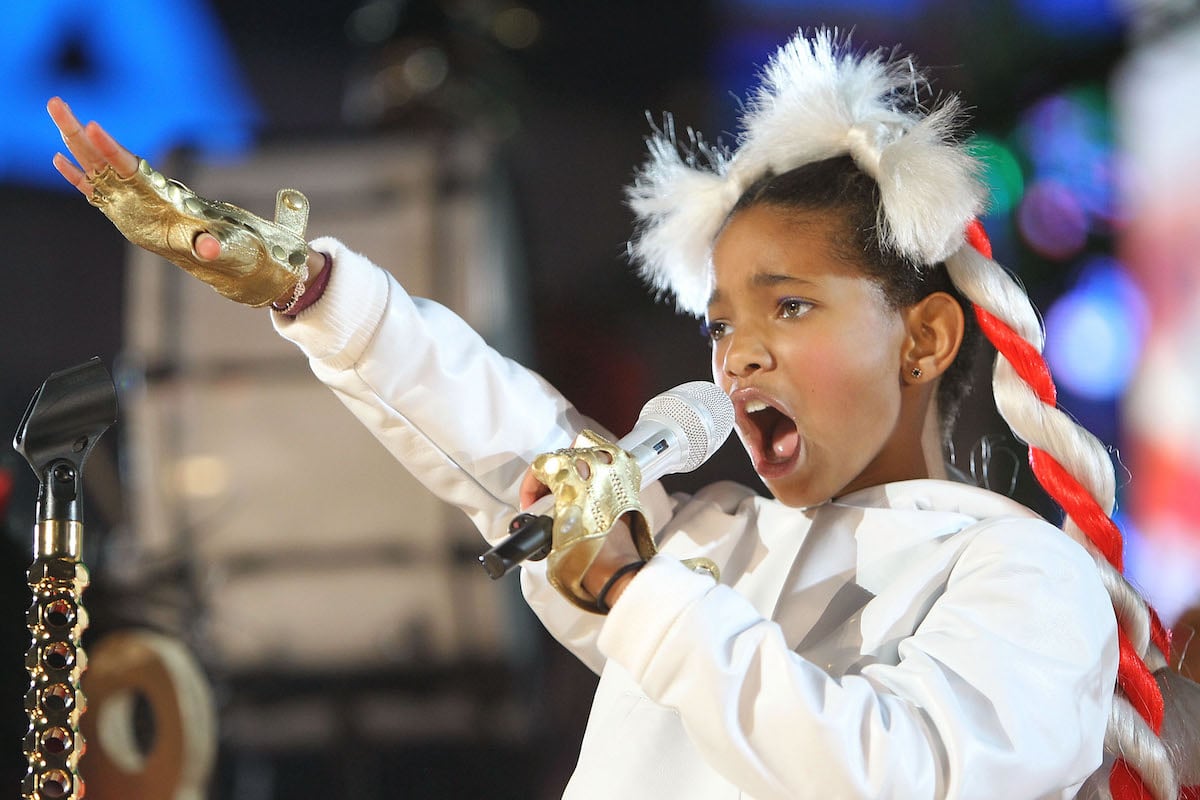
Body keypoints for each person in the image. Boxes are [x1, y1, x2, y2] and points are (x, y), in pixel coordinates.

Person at [47, 28, 1195, 800]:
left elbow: (903, 772)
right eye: (721, 321)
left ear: (925, 338)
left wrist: (644, 594)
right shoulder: (718, 551)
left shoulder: (1022, 573)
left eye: (790, 305)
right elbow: (504, 428)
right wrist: (308, 286)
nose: (740, 349)